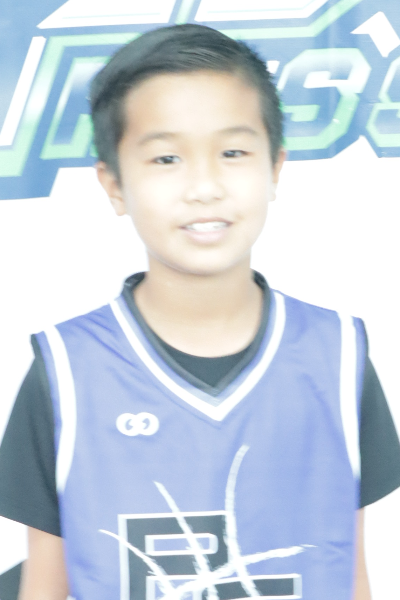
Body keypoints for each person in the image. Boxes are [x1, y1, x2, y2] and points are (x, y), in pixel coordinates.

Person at [0, 23, 399, 600]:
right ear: (114, 185)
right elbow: (45, 585)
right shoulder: (65, 371)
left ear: (275, 168)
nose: (205, 186)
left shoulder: (337, 357)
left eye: (232, 152)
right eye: (166, 158)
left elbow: (348, 570)